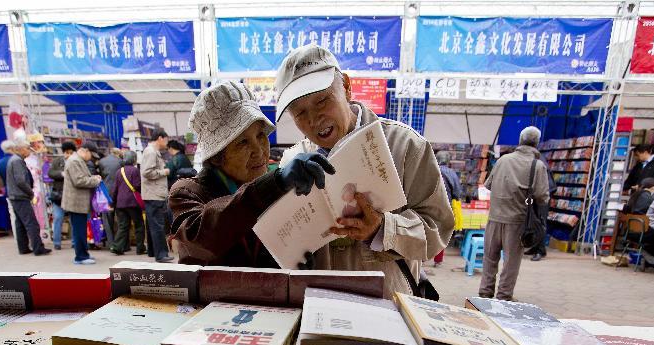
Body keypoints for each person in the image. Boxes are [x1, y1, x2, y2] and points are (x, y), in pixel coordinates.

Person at [275, 44, 454, 297]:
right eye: (300, 113)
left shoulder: (406, 146)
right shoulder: (292, 160)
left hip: (388, 305)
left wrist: (384, 228)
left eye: (322, 100)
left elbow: (437, 229)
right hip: (320, 306)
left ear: (347, 87)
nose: (314, 120)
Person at [169, 81, 331, 267]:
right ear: (215, 157)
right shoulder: (187, 193)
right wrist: (273, 185)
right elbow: (202, 238)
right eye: (242, 142)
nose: (259, 150)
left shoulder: (279, 189)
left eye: (261, 136)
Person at [477, 126, 550, 301]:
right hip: (518, 220)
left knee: (490, 258)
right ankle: (504, 295)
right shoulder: (537, 166)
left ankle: (485, 293)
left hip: (494, 217)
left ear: (520, 140)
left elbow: (488, 185)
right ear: (536, 143)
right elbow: (542, 196)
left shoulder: (503, 160)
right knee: (511, 262)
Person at [5, 138, 51, 257]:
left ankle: (23, 247)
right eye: (27, 149)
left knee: (20, 223)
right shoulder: (17, 161)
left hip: (15, 195)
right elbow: (21, 181)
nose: (29, 152)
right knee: (31, 223)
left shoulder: (14, 160)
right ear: (21, 149)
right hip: (20, 196)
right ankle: (38, 248)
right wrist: (31, 193)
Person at [63, 142, 102, 265]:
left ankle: (84, 253)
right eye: (91, 154)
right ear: (85, 151)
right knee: (79, 231)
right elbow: (79, 181)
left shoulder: (77, 160)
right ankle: (80, 256)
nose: (91, 158)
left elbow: (82, 177)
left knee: (81, 230)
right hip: (76, 203)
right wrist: (95, 180)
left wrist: (92, 178)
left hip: (79, 202)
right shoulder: (74, 161)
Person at [141, 128, 175, 263]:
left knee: (152, 225)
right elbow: (147, 172)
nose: (166, 143)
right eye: (166, 140)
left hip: (153, 194)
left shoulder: (152, 151)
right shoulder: (151, 152)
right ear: (160, 138)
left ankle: (153, 252)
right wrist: (164, 172)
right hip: (154, 194)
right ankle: (161, 255)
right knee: (158, 226)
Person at [109, 151, 146, 256]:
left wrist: (113, 203)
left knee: (123, 226)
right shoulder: (135, 171)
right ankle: (140, 248)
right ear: (134, 159)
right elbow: (137, 186)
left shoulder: (118, 171)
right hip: (133, 203)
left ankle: (117, 247)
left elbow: (115, 189)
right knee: (139, 225)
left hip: (120, 204)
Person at [433, 150, 462, 267]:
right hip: (445, 207)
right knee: (441, 234)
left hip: (428, 206)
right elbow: (457, 193)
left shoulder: (430, 169)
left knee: (425, 230)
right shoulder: (452, 173)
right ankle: (438, 261)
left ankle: (422, 258)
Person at [46, 140, 77, 250]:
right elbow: (50, 173)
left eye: (70, 152)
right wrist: (61, 174)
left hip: (72, 196)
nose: (68, 155)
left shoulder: (76, 161)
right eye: (66, 152)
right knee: (58, 218)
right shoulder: (57, 161)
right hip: (58, 196)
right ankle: (57, 242)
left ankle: (74, 241)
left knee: (74, 220)